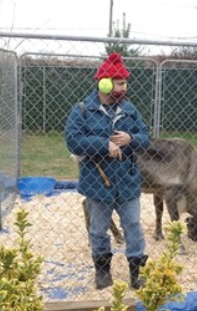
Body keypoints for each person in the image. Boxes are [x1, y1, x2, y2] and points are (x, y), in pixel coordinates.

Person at [65, 52, 151, 290]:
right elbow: (73, 140)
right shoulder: (82, 110)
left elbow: (146, 138)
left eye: (125, 82)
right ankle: (102, 272)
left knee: (133, 225)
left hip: (127, 181)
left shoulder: (130, 110)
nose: (125, 87)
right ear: (105, 82)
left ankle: (137, 273)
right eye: (121, 82)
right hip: (97, 182)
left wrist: (131, 138)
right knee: (98, 229)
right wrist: (105, 145)